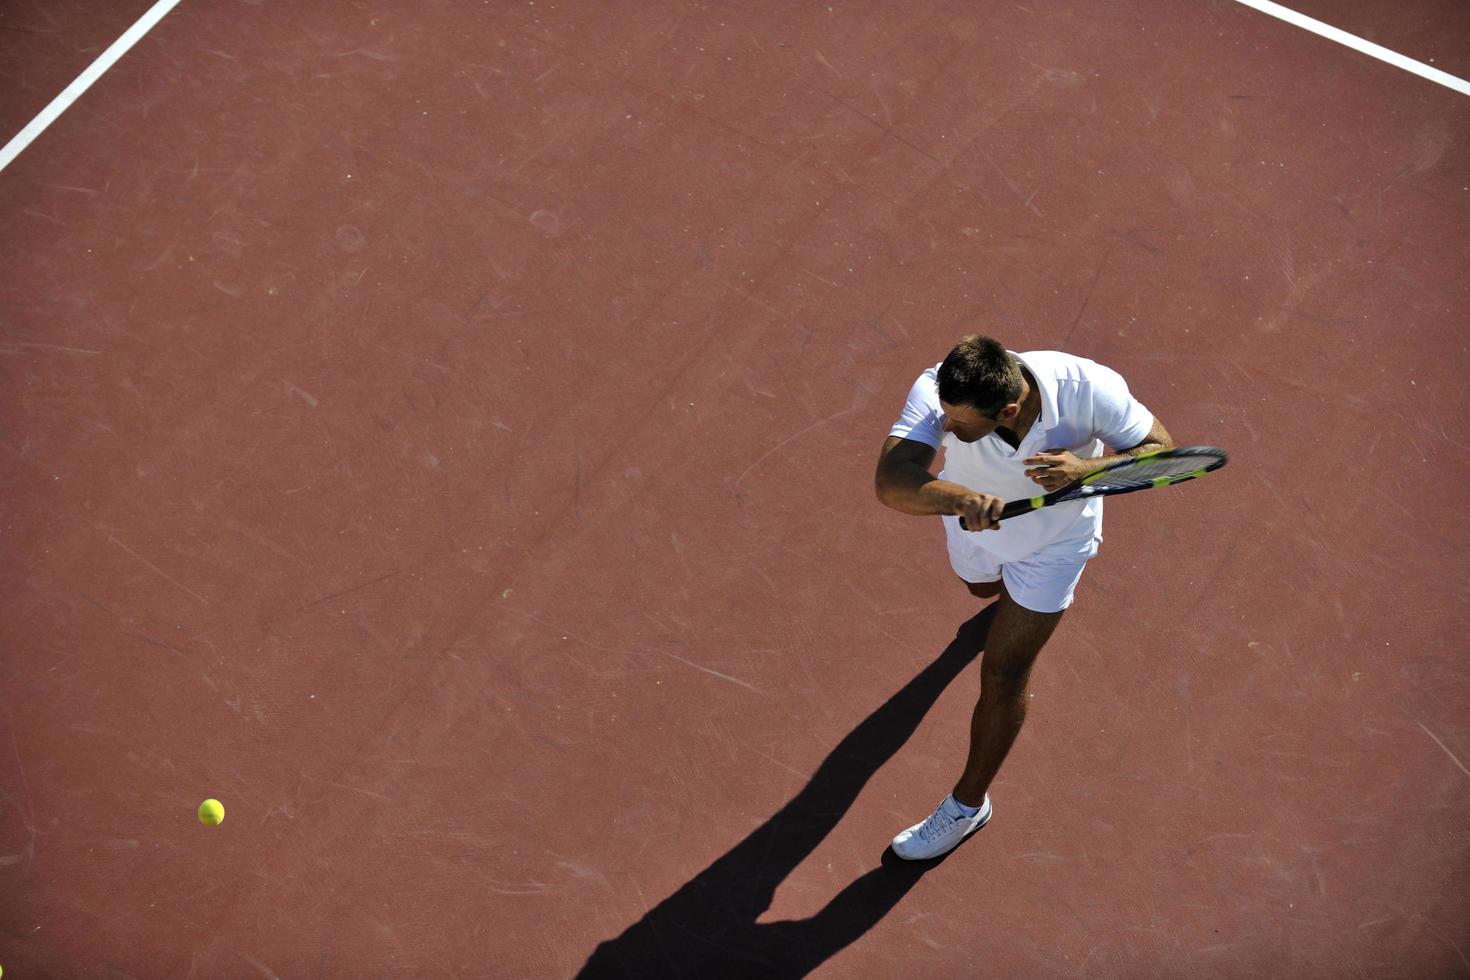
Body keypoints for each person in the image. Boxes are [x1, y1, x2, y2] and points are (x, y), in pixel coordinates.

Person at [874, 334, 1173, 860]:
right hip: (974, 526)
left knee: (1005, 671)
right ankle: (997, 601)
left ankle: (967, 806)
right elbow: (892, 481)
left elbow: (1162, 454)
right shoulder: (938, 385)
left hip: (1055, 545)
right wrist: (962, 499)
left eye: (962, 425)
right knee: (981, 590)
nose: (950, 428)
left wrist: (1088, 469)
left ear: (1009, 409)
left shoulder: (1088, 387)